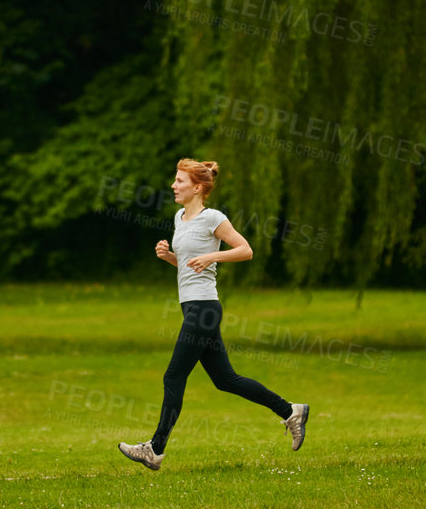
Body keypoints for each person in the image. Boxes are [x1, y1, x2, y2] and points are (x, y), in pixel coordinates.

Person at [118, 159, 309, 470]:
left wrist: (211, 255)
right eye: (175, 180)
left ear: (197, 187)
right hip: (192, 306)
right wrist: (170, 257)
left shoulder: (213, 218)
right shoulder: (179, 218)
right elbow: (191, 267)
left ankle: (155, 448)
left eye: (179, 181)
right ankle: (291, 411)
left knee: (173, 375)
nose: (173, 186)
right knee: (225, 379)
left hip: (205, 309)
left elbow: (245, 250)